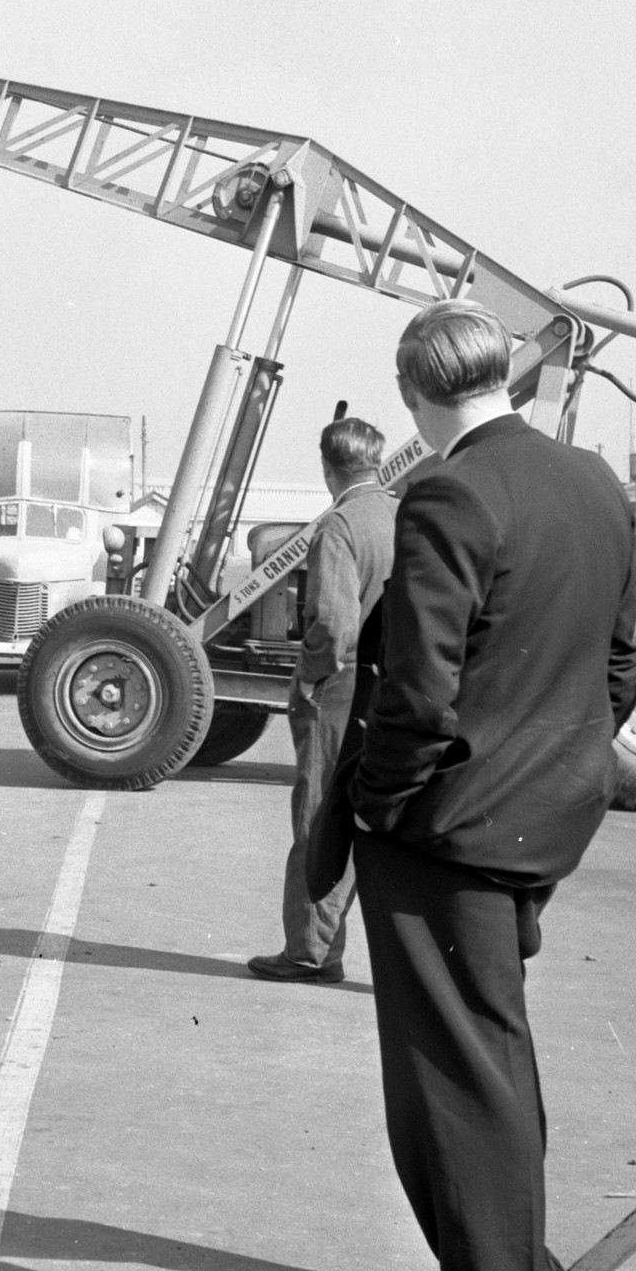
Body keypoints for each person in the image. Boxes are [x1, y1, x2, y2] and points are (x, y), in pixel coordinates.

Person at [307, 299, 636, 1271]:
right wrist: (551, 764)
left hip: (446, 828)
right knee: (493, 1051)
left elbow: (416, 687)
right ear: (509, 376)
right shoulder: (595, 481)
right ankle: (518, 1266)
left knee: (449, 1079)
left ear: (414, 392)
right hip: (544, 817)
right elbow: (622, 662)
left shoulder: (449, 491)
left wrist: (386, 804)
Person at [246, 413, 396, 985]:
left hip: (339, 687)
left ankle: (310, 951)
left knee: (318, 816)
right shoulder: (399, 514)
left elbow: (331, 622)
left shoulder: (339, 525)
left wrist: (308, 678)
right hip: (391, 685)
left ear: (329, 467)